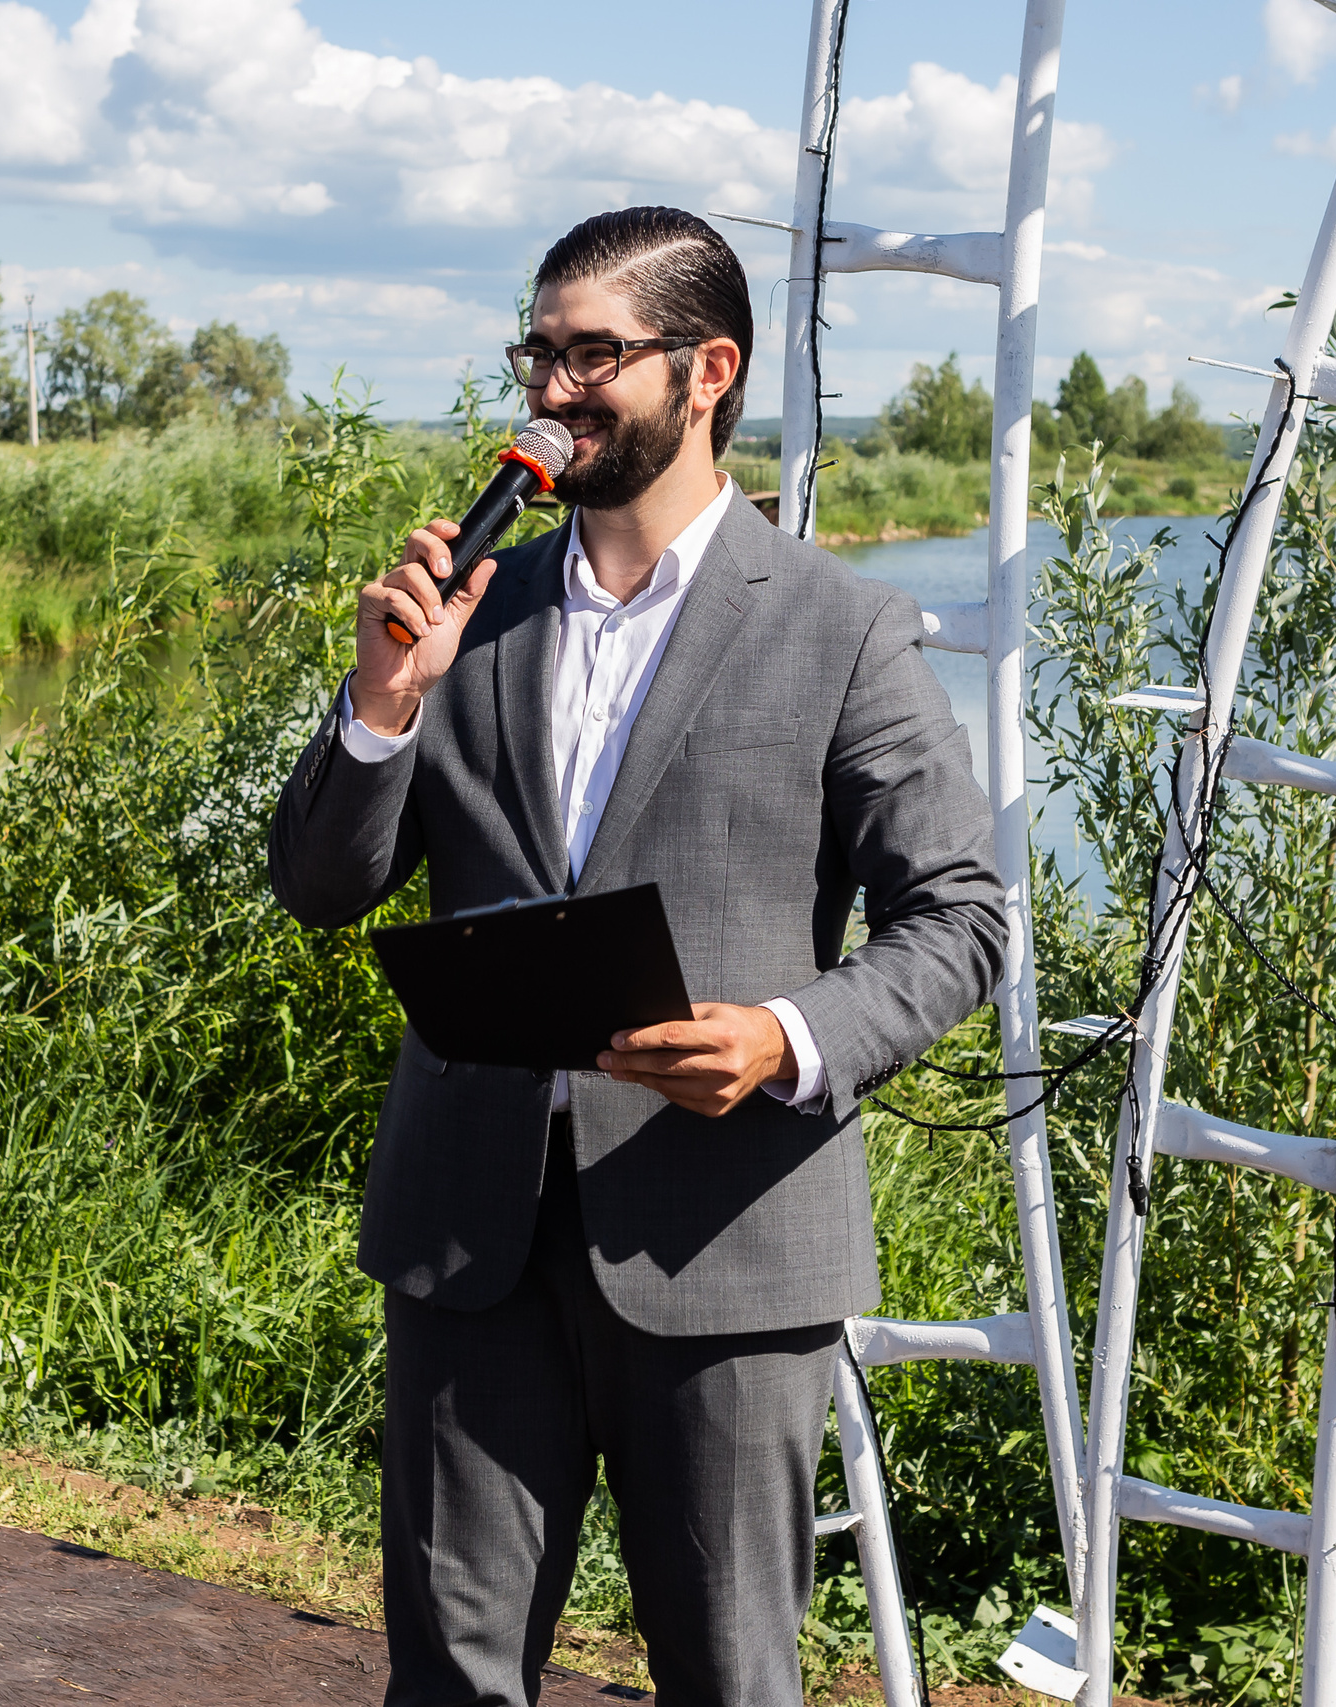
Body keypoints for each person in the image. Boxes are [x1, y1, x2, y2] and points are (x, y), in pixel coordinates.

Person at [268, 206, 1005, 1706]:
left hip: (720, 1238)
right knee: (451, 1674)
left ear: (707, 369)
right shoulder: (472, 614)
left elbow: (964, 917)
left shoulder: (842, 630)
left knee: (729, 1677)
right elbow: (322, 886)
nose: (549, 390)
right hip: (470, 1237)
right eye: (537, 352)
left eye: (591, 353)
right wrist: (379, 704)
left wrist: (785, 1039)